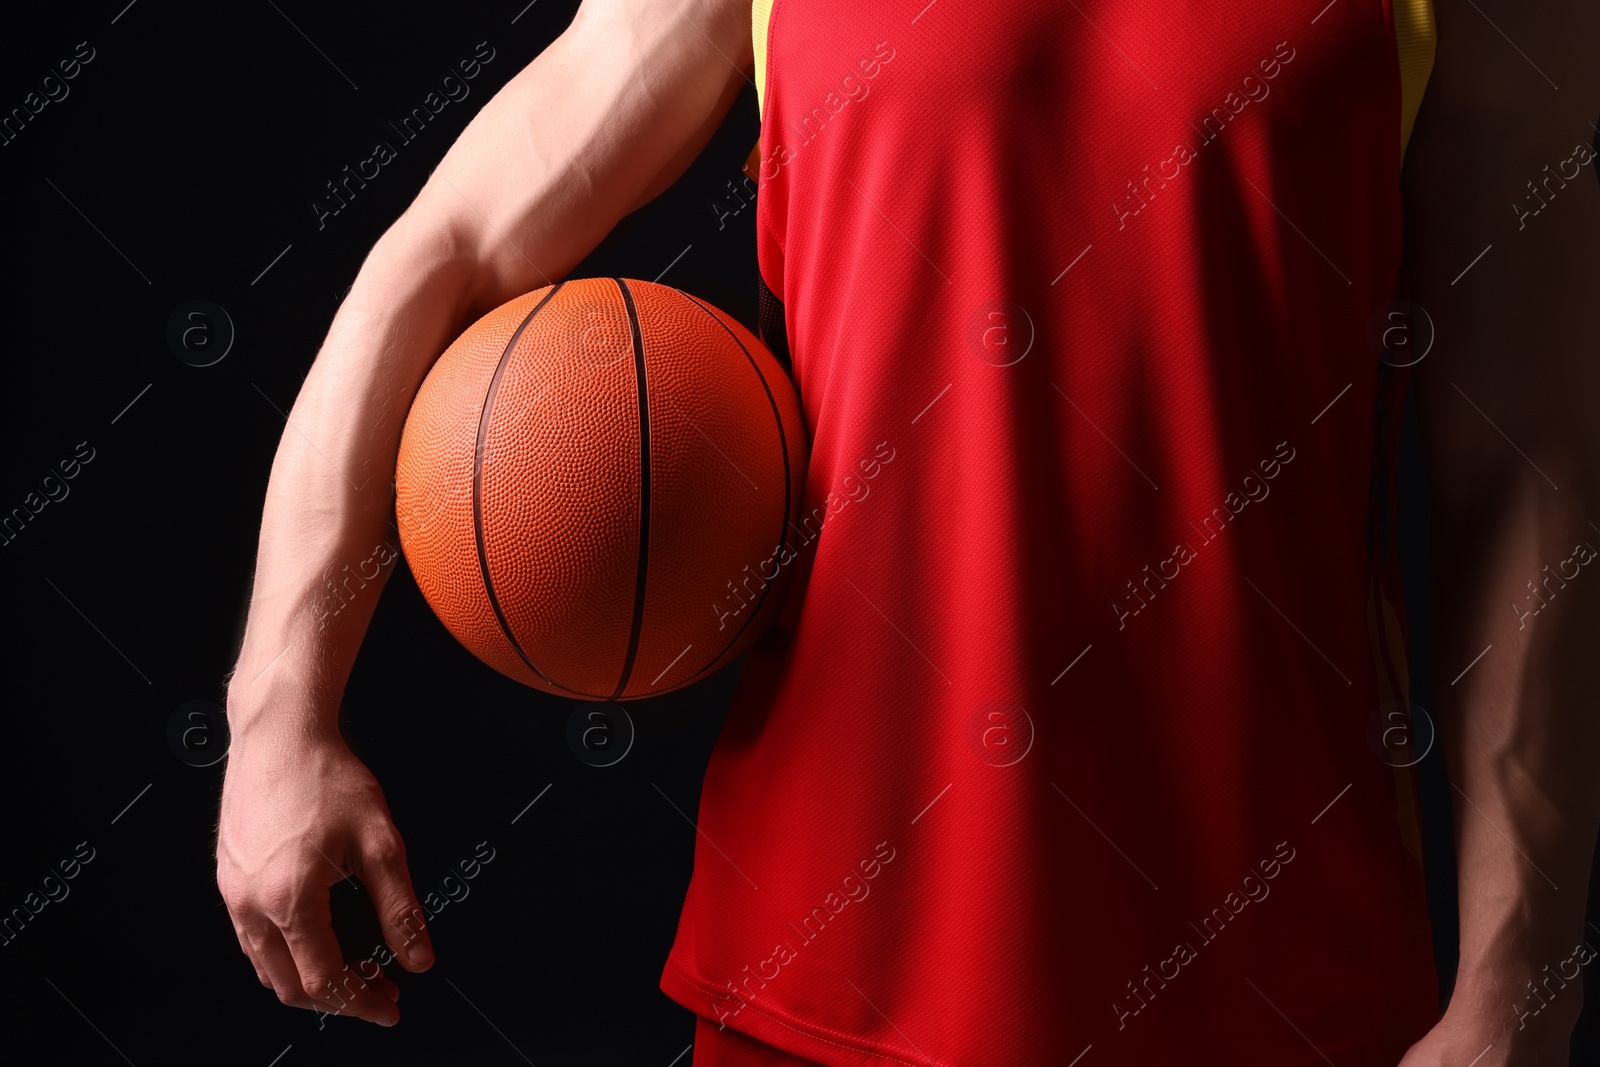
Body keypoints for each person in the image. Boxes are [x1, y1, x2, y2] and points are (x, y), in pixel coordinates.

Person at [217, 0, 1600, 1062]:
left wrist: (1516, 986)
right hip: (827, 977)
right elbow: (447, 245)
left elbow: (1529, 466)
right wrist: (280, 709)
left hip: (1285, 993)